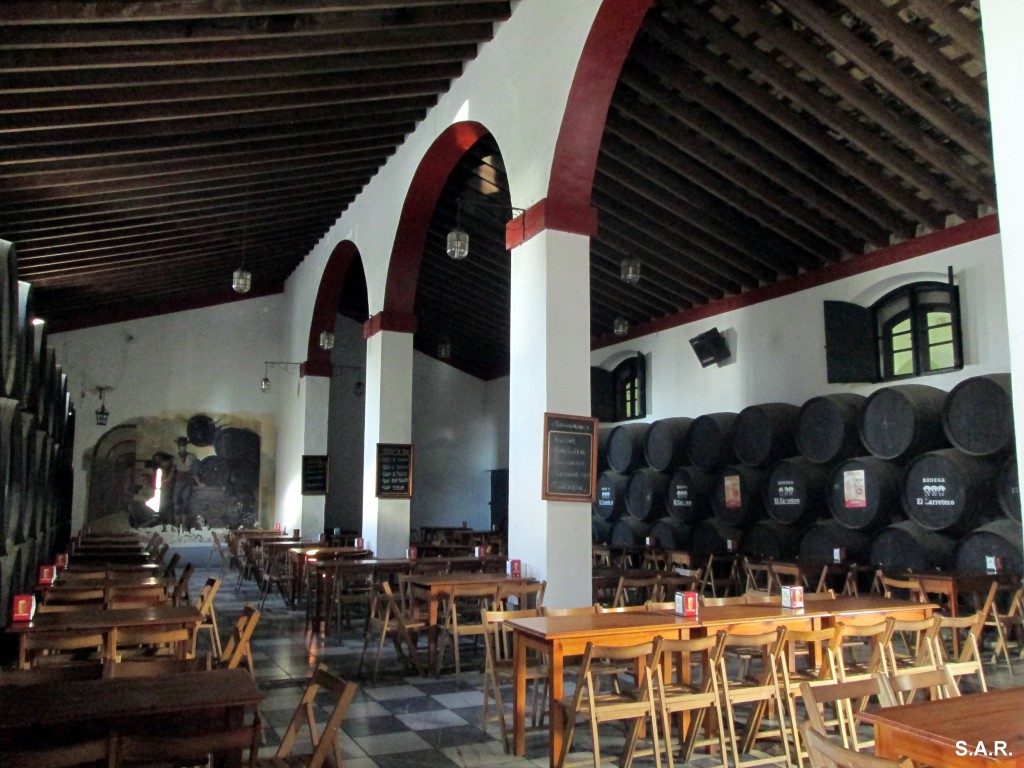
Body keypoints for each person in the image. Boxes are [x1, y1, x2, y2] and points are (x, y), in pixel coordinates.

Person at [171, 436, 199, 531]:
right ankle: (177, 524)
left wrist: (199, 483)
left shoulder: (192, 457)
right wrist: (167, 480)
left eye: (184, 445)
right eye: (181, 445)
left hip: (188, 481)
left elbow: (194, 472)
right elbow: (172, 471)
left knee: (185, 502)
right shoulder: (175, 458)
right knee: (176, 501)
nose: (182, 447)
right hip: (178, 481)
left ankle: (184, 525)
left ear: (186, 446)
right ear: (178, 446)